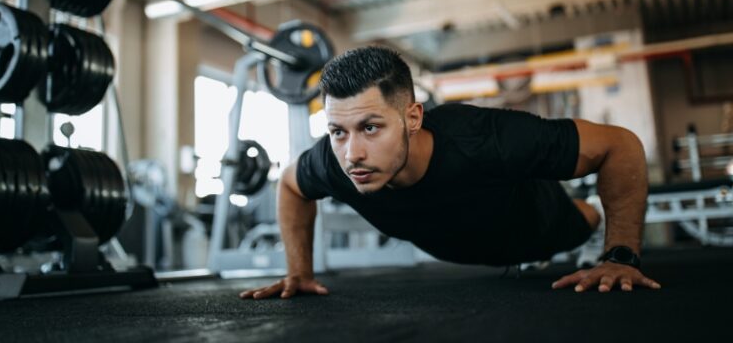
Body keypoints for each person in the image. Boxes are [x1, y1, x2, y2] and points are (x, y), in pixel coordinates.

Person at [240, 46, 661, 299]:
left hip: (540, 229)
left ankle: (588, 213)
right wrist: (299, 273)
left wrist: (619, 256)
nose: (353, 153)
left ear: (413, 117)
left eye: (371, 127)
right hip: (460, 247)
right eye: (338, 131)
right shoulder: (334, 161)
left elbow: (619, 145)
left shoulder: (486, 137)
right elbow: (292, 185)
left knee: (584, 217)